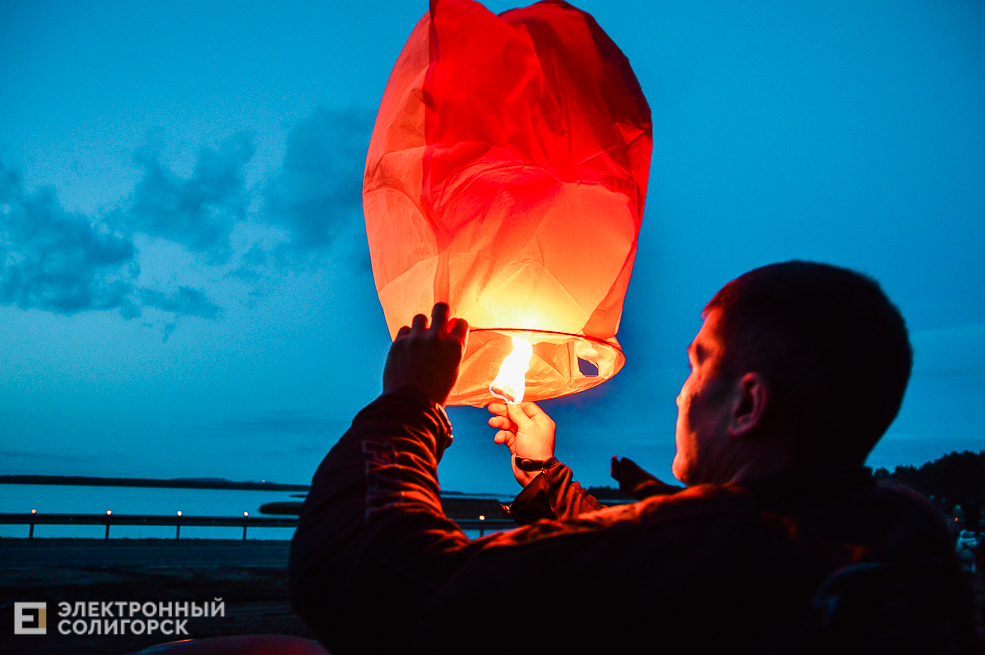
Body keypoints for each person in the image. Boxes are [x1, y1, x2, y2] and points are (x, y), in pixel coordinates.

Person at [289, 261, 979, 654]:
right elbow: (658, 572)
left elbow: (387, 586)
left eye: (697, 366)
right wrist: (544, 476)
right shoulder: (896, 537)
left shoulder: (723, 541)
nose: (680, 396)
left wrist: (406, 406)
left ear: (746, 405)